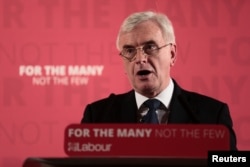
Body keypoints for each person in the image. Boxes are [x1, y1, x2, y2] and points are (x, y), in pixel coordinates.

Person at [81, 11, 237, 150]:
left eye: (150, 47)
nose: (140, 59)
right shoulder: (98, 117)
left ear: (172, 54)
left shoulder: (212, 115)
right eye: (129, 50)